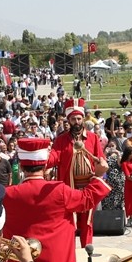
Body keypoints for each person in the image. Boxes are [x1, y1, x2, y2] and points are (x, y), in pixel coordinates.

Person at [47, 99, 106, 247]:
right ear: (68, 120)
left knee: (87, 222)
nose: (77, 122)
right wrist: (43, 159)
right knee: (69, 223)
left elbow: (101, 158)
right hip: (69, 188)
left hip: (88, 187)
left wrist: (101, 163)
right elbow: (54, 156)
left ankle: (87, 254)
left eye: (79, 118)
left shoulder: (93, 138)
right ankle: (70, 254)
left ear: (83, 119)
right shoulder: (61, 140)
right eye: (73, 119)